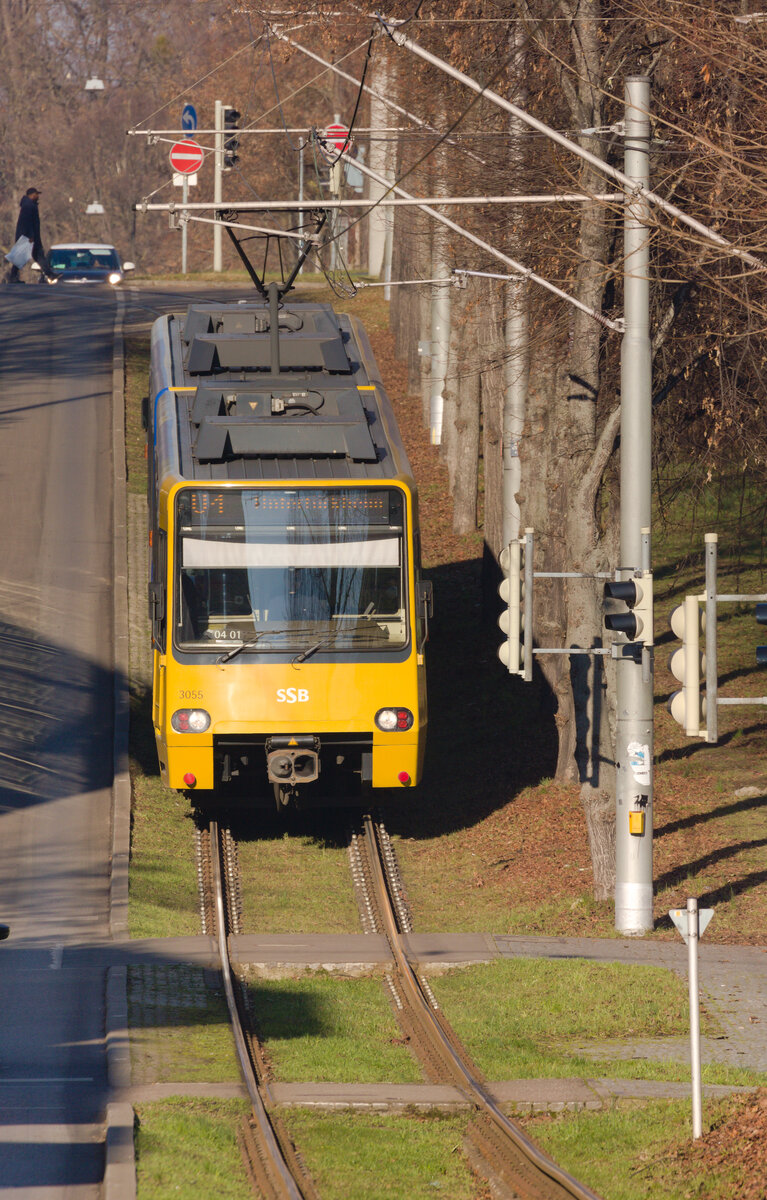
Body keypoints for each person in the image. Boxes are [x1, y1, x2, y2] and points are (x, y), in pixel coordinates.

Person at [5, 187, 57, 284]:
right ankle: (12, 277)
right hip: (28, 237)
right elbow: (26, 223)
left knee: (39, 256)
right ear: (32, 195)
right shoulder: (28, 206)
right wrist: (30, 236)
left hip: (32, 236)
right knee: (21, 256)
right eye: (37, 194)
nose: (38, 196)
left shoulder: (30, 205)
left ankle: (50, 274)